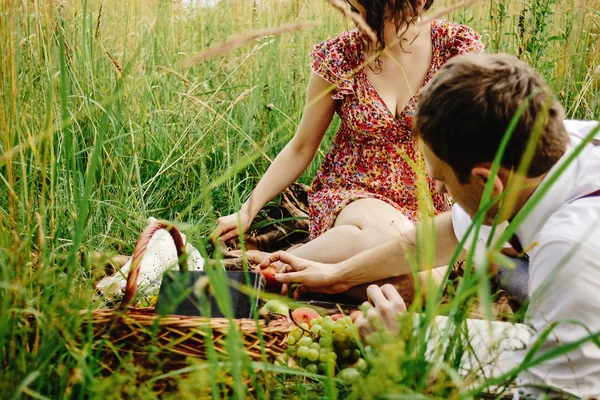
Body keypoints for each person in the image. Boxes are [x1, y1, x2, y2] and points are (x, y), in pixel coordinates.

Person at [259, 53, 600, 397]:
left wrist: (405, 357)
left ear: (487, 182)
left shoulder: (570, 250)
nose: (436, 189)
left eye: (442, 180)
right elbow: (449, 234)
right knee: (426, 332)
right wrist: (337, 275)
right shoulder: (551, 148)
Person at [212, 0, 483, 298]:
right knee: (398, 245)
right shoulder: (340, 56)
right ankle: (276, 272)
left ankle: (286, 268)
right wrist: (248, 210)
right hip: (353, 194)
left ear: (412, 4)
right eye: (351, 9)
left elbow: (477, 140)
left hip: (427, 202)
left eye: (362, 10)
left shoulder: (456, 49)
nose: (354, 20)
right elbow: (302, 146)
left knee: (425, 286)